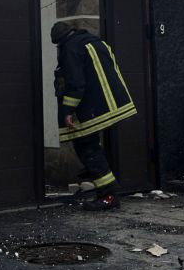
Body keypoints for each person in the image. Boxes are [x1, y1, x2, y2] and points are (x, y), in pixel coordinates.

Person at [51, 22, 137, 211]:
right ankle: (94, 170)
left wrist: (67, 110)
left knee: (86, 148)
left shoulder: (70, 47)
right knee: (89, 146)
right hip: (109, 104)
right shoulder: (96, 42)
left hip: (89, 108)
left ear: (61, 40)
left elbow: (75, 82)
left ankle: (109, 194)